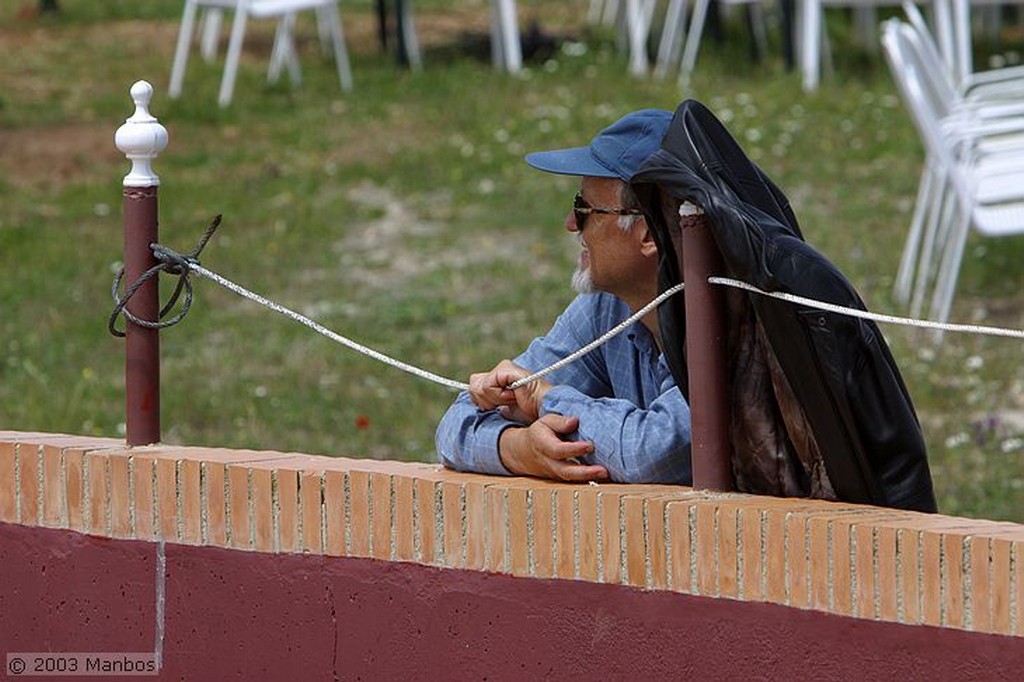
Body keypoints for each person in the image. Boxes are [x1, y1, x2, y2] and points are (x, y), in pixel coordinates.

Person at [434, 109, 692, 484]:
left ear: (649, 234)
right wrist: (520, 449)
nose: (571, 224)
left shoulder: (722, 315)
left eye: (584, 209)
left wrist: (542, 398)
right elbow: (457, 424)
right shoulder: (607, 306)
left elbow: (654, 452)